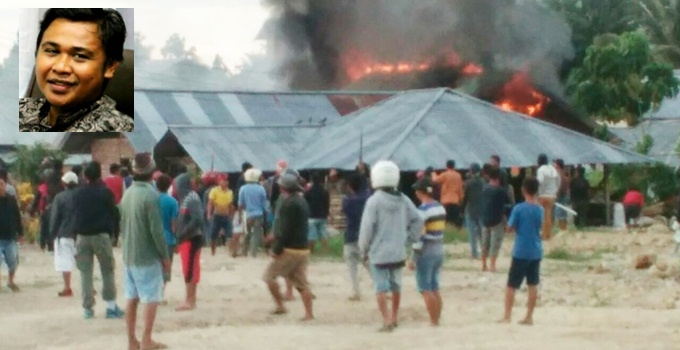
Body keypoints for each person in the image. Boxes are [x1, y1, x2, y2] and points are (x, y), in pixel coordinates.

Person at [19, 8, 133, 132]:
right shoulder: (21, 110)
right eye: (52, 51)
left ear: (110, 66)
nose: (60, 67)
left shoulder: (115, 131)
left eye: (80, 56)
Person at [359, 160, 423, 332]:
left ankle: (386, 320)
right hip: (398, 251)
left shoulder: (373, 201)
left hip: (378, 252)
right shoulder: (403, 199)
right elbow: (418, 219)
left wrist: (362, 249)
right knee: (396, 285)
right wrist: (409, 239)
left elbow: (367, 228)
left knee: (380, 288)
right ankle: (394, 316)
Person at [119, 153, 170, 350]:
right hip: (147, 255)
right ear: (152, 172)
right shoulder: (151, 195)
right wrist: (165, 256)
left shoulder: (128, 193)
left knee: (131, 298)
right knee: (151, 297)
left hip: (129, 254)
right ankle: (147, 339)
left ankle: (132, 340)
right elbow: (156, 230)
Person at [73, 161, 125, 319]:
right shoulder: (105, 193)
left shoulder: (78, 193)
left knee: (85, 273)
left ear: (85, 176)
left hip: (82, 236)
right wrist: (115, 234)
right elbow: (115, 214)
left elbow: (74, 214)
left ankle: (88, 309)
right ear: (99, 175)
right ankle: (110, 307)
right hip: (101, 235)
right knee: (107, 271)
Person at [263, 170, 314, 320]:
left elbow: (283, 231)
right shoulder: (302, 201)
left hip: (290, 249)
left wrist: (276, 249)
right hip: (303, 248)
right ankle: (309, 314)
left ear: (283, 187)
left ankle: (280, 306)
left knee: (269, 277)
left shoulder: (287, 203)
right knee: (301, 283)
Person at [500, 177, 544, 326]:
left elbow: (510, 228)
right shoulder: (540, 209)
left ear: (523, 190)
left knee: (511, 285)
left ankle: (507, 316)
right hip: (536, 250)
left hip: (521, 250)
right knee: (533, 284)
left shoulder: (519, 208)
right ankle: (529, 316)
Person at [409, 179, 445, 326]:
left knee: (425, 287)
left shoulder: (422, 211)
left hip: (426, 250)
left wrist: (413, 257)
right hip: (439, 248)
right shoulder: (440, 207)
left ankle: (433, 320)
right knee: (434, 286)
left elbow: (420, 236)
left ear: (419, 193)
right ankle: (437, 319)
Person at [175, 172, 205, 312]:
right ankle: (189, 299)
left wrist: (183, 233)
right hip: (187, 239)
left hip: (191, 239)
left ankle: (190, 301)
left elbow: (197, 219)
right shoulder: (187, 198)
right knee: (188, 269)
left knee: (190, 269)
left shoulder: (191, 199)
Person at [49, 171, 79, 297]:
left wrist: (52, 234)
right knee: (84, 261)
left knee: (65, 262)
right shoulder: (81, 195)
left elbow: (55, 217)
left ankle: (67, 287)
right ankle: (89, 287)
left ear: (64, 183)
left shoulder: (60, 197)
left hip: (64, 233)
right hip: (81, 232)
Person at [341, 174, 370, 301]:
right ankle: (384, 288)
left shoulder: (347, 201)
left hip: (351, 235)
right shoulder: (368, 199)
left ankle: (355, 291)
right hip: (365, 235)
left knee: (352, 266)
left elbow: (345, 207)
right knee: (369, 264)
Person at [481, 168, 511, 272]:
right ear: (499, 177)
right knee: (495, 243)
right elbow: (507, 206)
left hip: (485, 219)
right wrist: (508, 221)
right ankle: (492, 265)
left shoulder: (484, 189)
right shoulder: (501, 191)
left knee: (485, 243)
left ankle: (484, 265)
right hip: (497, 219)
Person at [156, 174, 178, 297]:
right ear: (169, 186)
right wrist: (177, 241)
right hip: (168, 239)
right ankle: (161, 291)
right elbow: (174, 225)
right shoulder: (173, 202)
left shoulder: (151, 199)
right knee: (166, 265)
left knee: (154, 265)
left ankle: (153, 290)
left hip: (151, 238)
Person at [0, 177, 23, 292]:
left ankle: (10, 281)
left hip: (10, 237)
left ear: (5, 185)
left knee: (13, 262)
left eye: (1, 184)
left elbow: (18, 217)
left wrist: (21, 233)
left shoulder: (11, 200)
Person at [239, 168, 268, 257]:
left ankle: (244, 251)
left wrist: (240, 215)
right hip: (259, 214)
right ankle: (253, 252)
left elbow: (241, 204)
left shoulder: (243, 188)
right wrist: (265, 212)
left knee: (247, 232)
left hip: (248, 214)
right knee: (256, 233)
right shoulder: (261, 188)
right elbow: (264, 203)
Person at [207, 175, 235, 256]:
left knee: (230, 234)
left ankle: (231, 252)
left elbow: (230, 205)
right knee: (213, 235)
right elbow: (210, 203)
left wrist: (231, 215)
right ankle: (213, 252)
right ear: (219, 182)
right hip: (217, 215)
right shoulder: (214, 191)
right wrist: (209, 214)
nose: (225, 182)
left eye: (226, 181)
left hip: (226, 216)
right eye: (223, 181)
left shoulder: (230, 192)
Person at [431, 160, 464, 228]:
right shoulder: (458, 175)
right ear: (454, 166)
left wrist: (433, 173)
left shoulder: (445, 174)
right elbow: (460, 189)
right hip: (455, 200)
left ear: (446, 166)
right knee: (454, 220)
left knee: (445, 220)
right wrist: (461, 199)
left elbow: (435, 180)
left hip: (446, 200)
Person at [304, 171, 330, 254]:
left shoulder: (308, 192)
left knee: (311, 235)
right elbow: (327, 204)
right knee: (323, 234)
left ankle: (311, 251)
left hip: (311, 216)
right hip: (322, 216)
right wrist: (326, 214)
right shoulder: (325, 192)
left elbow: (305, 204)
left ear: (312, 180)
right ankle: (325, 250)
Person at [462, 163, 485, 259]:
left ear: (471, 171)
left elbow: (465, 198)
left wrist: (461, 208)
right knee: (482, 233)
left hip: (470, 210)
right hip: (482, 210)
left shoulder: (468, 183)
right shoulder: (483, 182)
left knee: (472, 234)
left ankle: (474, 253)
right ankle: (484, 252)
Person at [536, 154, 560, 240]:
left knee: (542, 216)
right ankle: (548, 234)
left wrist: (538, 191)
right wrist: (555, 191)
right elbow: (558, 180)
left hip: (543, 195)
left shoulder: (541, 170)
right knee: (548, 215)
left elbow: (540, 181)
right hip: (552, 195)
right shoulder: (553, 169)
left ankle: (543, 234)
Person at [104, 163, 125, 246]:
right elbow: (124, 192)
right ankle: (115, 239)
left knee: (109, 221)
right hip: (118, 204)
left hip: (108, 204)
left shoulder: (106, 180)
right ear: (117, 171)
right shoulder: (121, 180)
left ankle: (109, 237)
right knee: (117, 222)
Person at [553, 159, 570, 232]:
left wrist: (555, 195)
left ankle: (562, 230)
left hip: (560, 197)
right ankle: (563, 229)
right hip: (562, 196)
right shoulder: (560, 174)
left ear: (558, 165)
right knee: (562, 214)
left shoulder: (559, 175)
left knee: (560, 215)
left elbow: (560, 187)